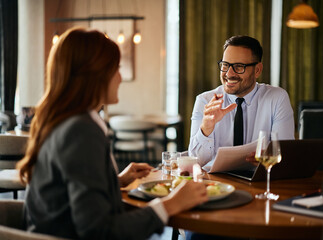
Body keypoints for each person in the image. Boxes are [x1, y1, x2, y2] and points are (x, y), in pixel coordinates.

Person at [16, 27, 208, 240]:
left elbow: (70, 195)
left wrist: (116, 181)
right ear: (95, 75)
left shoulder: (66, 120)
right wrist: (170, 205)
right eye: (116, 69)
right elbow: (99, 231)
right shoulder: (81, 131)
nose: (119, 78)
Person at [188, 35, 294, 171]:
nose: (229, 74)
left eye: (239, 67)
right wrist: (206, 129)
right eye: (225, 65)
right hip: (216, 183)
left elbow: (283, 155)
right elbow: (196, 161)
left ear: (257, 70)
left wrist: (267, 159)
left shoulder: (277, 98)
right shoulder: (205, 101)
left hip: (258, 181)